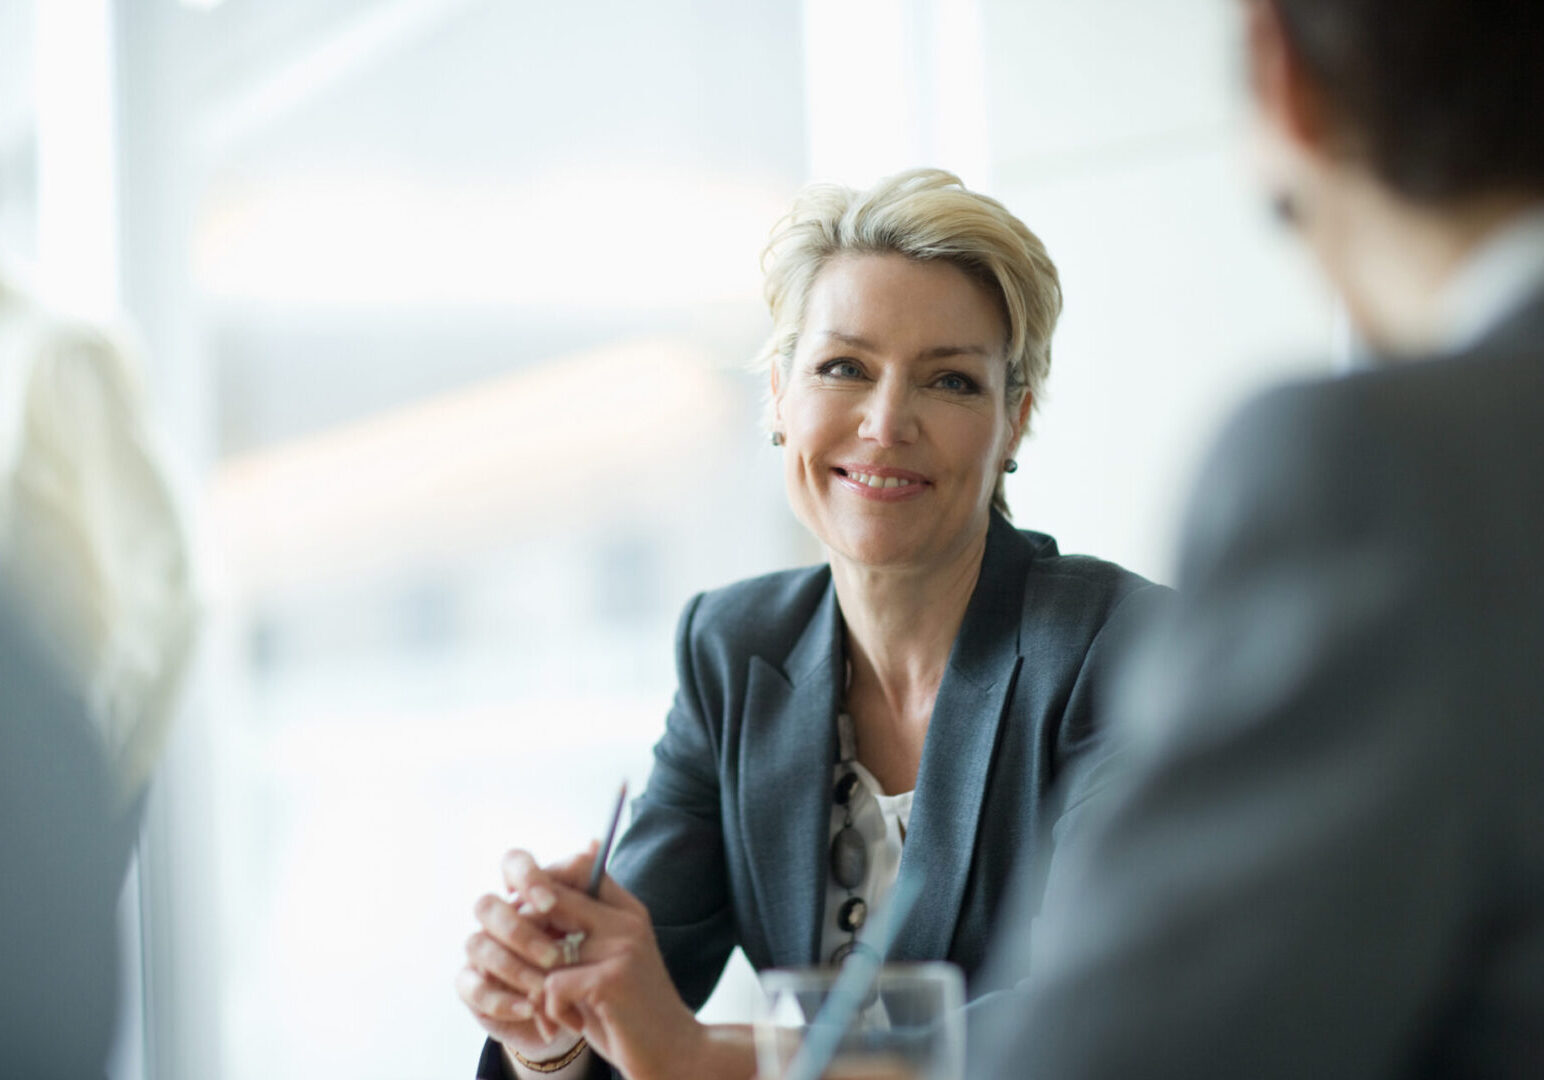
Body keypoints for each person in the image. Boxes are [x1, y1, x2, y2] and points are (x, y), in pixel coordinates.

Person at [456, 169, 1168, 1080]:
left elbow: (1099, 1018)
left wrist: (708, 1057)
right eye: (844, 368)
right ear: (779, 396)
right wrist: (552, 1015)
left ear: (1013, 423)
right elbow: (627, 1002)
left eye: (951, 381)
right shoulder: (732, 649)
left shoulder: (1124, 647)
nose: (886, 422)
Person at [969, 1, 1544, 1077]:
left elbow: (1123, 1053)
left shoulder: (1372, 473)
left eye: (955, 380)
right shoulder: (735, 641)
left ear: (1284, 77)